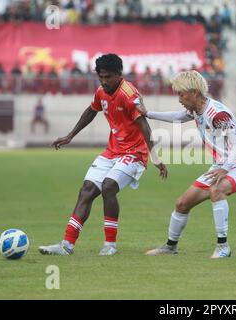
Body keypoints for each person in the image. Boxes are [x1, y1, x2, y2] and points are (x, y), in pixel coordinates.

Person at [39, 54, 167, 256]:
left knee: (108, 187)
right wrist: (70, 136)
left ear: (119, 74)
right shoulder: (101, 91)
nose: (104, 82)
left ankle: (110, 245)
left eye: (108, 77)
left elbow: (144, 125)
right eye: (101, 77)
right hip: (112, 151)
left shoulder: (128, 93)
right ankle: (66, 245)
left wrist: (155, 157)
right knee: (87, 190)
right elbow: (91, 111)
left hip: (134, 153)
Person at [136, 70, 236, 259]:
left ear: (194, 92)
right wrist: (149, 114)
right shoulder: (196, 109)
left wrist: (225, 168)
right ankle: (170, 247)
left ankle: (223, 247)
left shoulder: (218, 114)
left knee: (216, 190)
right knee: (182, 204)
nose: (179, 99)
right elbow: (178, 117)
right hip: (221, 166)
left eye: (181, 94)